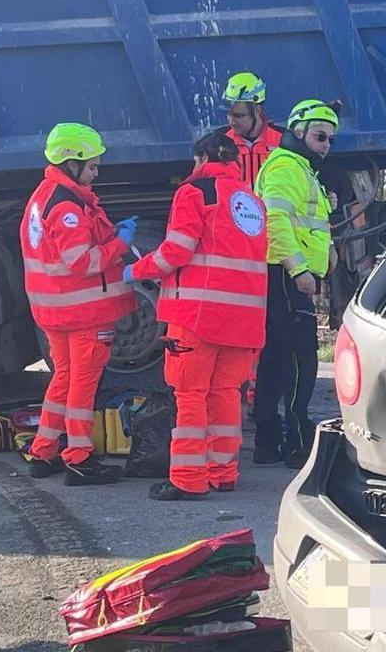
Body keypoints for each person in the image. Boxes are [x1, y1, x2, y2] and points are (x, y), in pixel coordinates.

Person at [124, 132, 268, 500]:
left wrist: (138, 269)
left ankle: (188, 478)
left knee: (190, 394)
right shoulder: (251, 201)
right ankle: (223, 472)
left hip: (198, 315)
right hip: (244, 318)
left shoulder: (194, 193)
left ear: (202, 158)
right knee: (225, 394)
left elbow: (177, 250)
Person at [20, 123, 137, 486]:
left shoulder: (45, 195)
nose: (97, 172)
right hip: (84, 312)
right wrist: (119, 243)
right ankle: (79, 458)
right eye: (93, 166)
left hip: (57, 310)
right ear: (72, 162)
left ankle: (43, 450)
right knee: (82, 384)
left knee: (65, 379)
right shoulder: (67, 206)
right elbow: (83, 262)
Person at [253, 99, 339, 468]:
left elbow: (304, 221)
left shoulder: (297, 169)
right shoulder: (288, 168)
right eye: (321, 137)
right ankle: (297, 439)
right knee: (300, 361)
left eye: (330, 140)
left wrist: (329, 250)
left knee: (275, 359)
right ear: (299, 132)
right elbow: (276, 223)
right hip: (288, 278)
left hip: (284, 276)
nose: (326, 146)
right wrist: (299, 270)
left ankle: (269, 441)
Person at [221, 72, 283, 189]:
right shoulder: (218, 142)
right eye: (228, 114)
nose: (231, 121)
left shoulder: (283, 141)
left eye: (238, 115)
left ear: (257, 110)